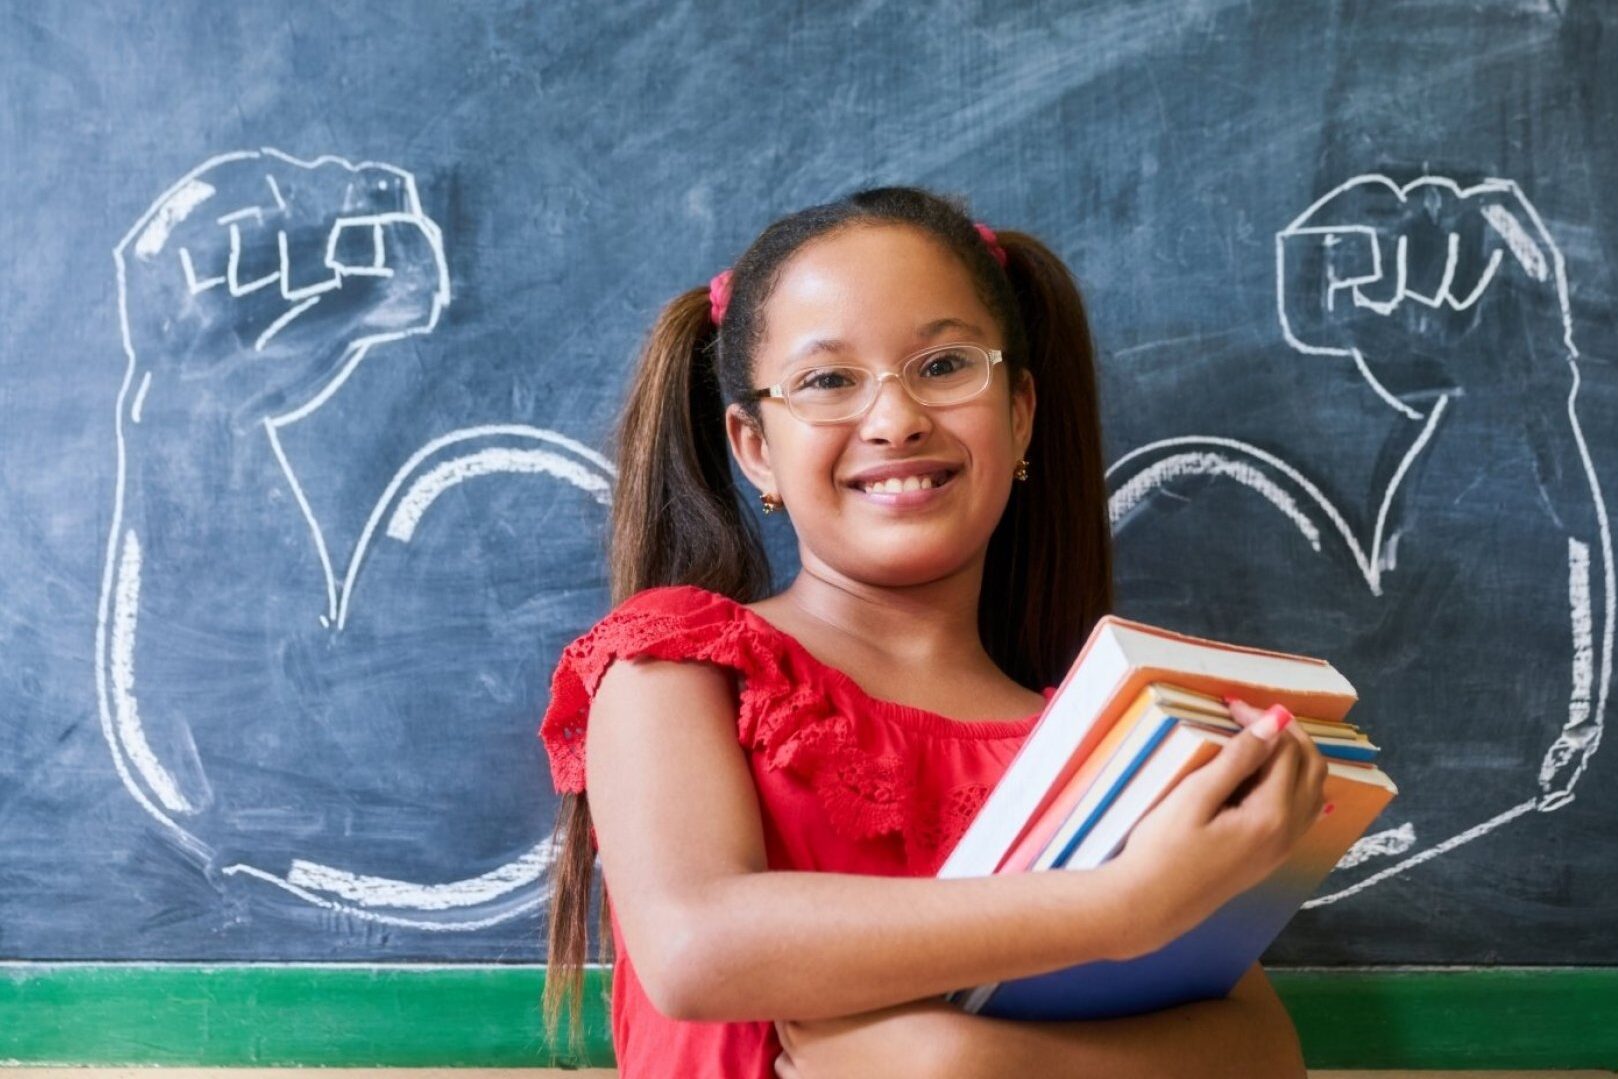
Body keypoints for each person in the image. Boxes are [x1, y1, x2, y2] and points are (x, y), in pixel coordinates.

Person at [538, 186, 1325, 1077]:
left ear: (1020, 413)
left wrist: (968, 1060)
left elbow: (1262, 1050)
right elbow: (697, 946)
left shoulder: (1098, 734)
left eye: (946, 365)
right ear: (755, 446)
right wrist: (1119, 905)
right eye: (828, 380)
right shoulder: (680, 664)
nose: (897, 417)